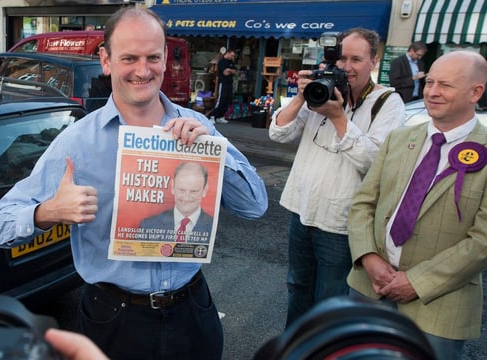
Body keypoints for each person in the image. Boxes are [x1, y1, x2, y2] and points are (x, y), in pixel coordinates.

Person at [0, 6, 267, 360]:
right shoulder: (77, 142)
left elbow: (256, 205)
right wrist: (48, 212)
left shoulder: (199, 126)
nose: (142, 70)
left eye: (153, 57)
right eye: (129, 58)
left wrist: (214, 152)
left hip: (192, 311)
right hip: (114, 319)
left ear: (166, 58)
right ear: (106, 61)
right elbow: (2, 226)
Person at [347, 50, 487, 360]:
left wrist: (417, 282)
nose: (433, 92)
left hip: (438, 308)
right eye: (431, 82)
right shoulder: (400, 138)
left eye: (446, 85)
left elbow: (482, 241)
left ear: (475, 92)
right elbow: (362, 203)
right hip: (368, 288)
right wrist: (368, 256)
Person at [268, 28, 405, 328]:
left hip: (340, 223)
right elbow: (278, 133)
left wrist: (338, 116)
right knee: (297, 289)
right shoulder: (322, 89)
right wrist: (302, 97)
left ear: (374, 60)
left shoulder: (387, 103)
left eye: (356, 59)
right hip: (301, 212)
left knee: (330, 299)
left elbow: (372, 161)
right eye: (342, 58)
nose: (347, 67)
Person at [137, 162, 213, 243]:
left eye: (193, 191)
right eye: (181, 190)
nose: (186, 198)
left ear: (204, 190)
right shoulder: (148, 226)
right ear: (173, 187)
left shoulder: (215, 227)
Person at [208, 48, 237, 124]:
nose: (232, 57)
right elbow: (225, 73)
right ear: (227, 53)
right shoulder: (222, 62)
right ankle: (212, 116)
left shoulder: (231, 62)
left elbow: (235, 71)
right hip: (223, 83)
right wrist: (230, 71)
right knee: (221, 99)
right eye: (232, 55)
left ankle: (220, 116)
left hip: (229, 83)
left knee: (227, 100)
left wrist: (229, 70)